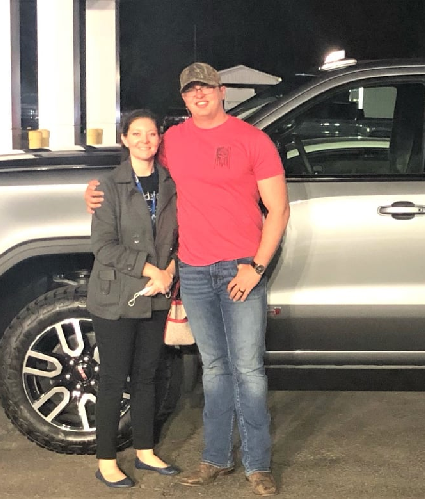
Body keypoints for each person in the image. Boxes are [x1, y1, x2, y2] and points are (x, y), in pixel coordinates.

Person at [85, 63, 290, 496]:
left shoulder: (253, 140)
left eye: (207, 87)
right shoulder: (173, 140)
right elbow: (137, 167)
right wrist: (94, 190)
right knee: (213, 369)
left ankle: (257, 464)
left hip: (240, 268)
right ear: (183, 97)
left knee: (248, 369)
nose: (200, 95)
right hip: (194, 270)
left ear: (222, 91)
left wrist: (256, 267)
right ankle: (215, 459)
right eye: (191, 90)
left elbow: (279, 209)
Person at [86, 109, 181, 488]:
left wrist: (170, 271)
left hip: (155, 296)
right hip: (116, 297)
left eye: (152, 134)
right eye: (137, 133)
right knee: (113, 379)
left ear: (160, 139)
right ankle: (106, 459)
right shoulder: (108, 186)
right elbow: (103, 246)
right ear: (124, 138)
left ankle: (145, 451)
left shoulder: (171, 182)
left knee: (147, 376)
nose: (145, 140)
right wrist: (151, 270)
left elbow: (181, 236)